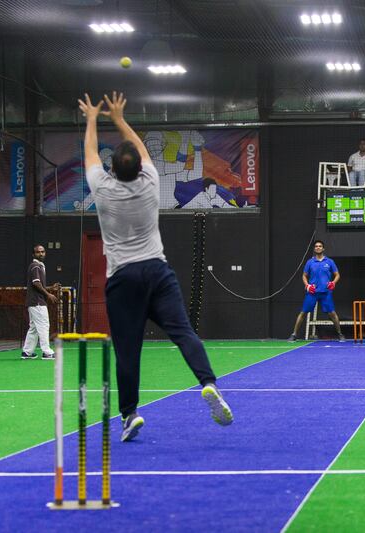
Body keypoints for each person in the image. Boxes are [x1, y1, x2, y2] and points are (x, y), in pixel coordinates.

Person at [78, 91, 232, 442]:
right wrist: (118, 118)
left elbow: (89, 153)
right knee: (184, 333)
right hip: (157, 273)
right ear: (138, 167)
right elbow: (141, 149)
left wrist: (91, 118)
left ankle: (130, 414)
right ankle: (208, 383)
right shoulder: (150, 183)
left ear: (112, 169)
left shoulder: (102, 189)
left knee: (128, 351)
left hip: (123, 279)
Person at [288, 240, 346, 342]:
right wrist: (307, 285)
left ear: (323, 249)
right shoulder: (310, 262)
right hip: (312, 293)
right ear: (314, 249)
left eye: (320, 246)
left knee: (332, 313)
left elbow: (337, 275)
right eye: (316, 246)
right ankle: (294, 334)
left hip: (326, 293)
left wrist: (333, 282)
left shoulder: (329, 262)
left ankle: (340, 334)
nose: (318, 247)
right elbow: (304, 276)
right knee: (303, 313)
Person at [21, 244, 60, 360]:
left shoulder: (39, 266)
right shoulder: (35, 266)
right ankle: (47, 352)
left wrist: (50, 288)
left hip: (34, 302)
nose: (41, 254)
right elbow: (36, 283)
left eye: (43, 251)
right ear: (34, 254)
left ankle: (27, 352)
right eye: (38, 252)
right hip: (37, 302)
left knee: (33, 327)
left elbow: (39, 285)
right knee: (43, 325)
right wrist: (48, 294)